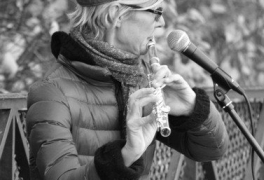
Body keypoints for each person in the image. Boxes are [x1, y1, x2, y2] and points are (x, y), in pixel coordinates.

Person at [26, 0, 229, 179]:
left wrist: (191, 109)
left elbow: (212, 151)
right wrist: (126, 155)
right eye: (156, 11)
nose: (162, 23)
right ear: (118, 14)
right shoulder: (52, 92)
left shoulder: (140, 80)